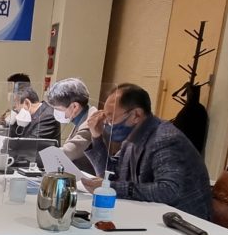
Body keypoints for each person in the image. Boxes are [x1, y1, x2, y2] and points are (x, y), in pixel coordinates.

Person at [82, 82, 212, 220]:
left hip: (184, 222)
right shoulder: (130, 140)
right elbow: (109, 176)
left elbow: (168, 190)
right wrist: (96, 136)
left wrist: (113, 187)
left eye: (111, 117)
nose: (106, 123)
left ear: (136, 115)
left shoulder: (165, 139)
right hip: (152, 214)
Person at [44, 77, 96, 171]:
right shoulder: (83, 117)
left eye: (58, 109)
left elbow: (68, 152)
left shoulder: (91, 123)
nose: (55, 112)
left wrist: (40, 156)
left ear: (75, 106)